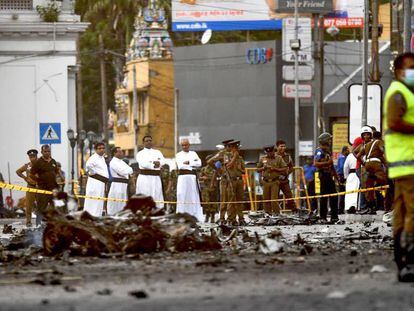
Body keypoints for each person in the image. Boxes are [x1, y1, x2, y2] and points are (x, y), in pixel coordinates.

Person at [383, 52, 414, 282]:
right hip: (408, 165)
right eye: (411, 68)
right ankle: (408, 261)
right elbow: (394, 122)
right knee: (412, 214)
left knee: (402, 213)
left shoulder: (403, 92)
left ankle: (402, 262)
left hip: (404, 165)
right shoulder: (398, 93)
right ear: (399, 71)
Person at [355, 126, 387, 215]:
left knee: (369, 187)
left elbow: (357, 155)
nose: (366, 136)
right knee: (386, 182)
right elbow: (382, 151)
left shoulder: (367, 145)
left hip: (367, 166)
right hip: (375, 165)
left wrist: (364, 163)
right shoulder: (379, 142)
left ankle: (371, 207)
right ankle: (387, 204)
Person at [175, 138, 203, 222]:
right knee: (181, 194)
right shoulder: (178, 155)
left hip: (192, 177)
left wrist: (189, 162)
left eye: (186, 145)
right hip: (183, 177)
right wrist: (192, 163)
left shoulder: (193, 153)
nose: (184, 147)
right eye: (183, 145)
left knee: (193, 195)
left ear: (189, 145)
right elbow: (181, 166)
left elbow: (199, 163)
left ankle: (194, 216)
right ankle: (181, 215)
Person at [314, 133, 339, 223]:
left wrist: (336, 177)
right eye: (329, 139)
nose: (330, 141)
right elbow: (316, 163)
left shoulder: (327, 151)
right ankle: (323, 217)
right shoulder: (319, 151)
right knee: (324, 197)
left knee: (334, 196)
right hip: (323, 175)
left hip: (329, 175)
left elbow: (331, 165)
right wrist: (327, 163)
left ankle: (334, 217)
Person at [30, 145, 59, 225]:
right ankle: (38, 225)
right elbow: (31, 175)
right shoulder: (38, 162)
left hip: (53, 189)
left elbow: (56, 172)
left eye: (48, 151)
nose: (47, 153)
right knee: (41, 208)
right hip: (42, 189)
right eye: (45, 151)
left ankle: (53, 225)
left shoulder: (53, 161)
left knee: (54, 208)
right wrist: (39, 180)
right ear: (42, 152)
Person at [208, 139, 234, 224]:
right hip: (224, 179)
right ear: (226, 146)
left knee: (232, 199)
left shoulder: (234, 153)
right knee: (224, 199)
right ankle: (222, 218)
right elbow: (210, 162)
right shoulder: (221, 154)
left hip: (233, 179)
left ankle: (231, 218)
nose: (231, 147)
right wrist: (219, 170)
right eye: (229, 146)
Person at [136, 135, 165, 208]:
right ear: (143, 143)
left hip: (156, 178)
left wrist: (159, 163)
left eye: (150, 140)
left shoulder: (157, 152)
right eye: (147, 141)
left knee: (157, 196)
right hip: (145, 178)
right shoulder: (140, 154)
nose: (149, 142)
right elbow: (144, 164)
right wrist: (154, 164)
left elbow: (163, 161)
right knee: (145, 195)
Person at [257, 145, 287, 215]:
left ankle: (277, 213)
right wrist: (263, 168)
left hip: (274, 181)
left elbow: (285, 168)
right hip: (266, 181)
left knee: (274, 200)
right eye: (268, 153)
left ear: (274, 151)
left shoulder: (278, 158)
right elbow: (258, 169)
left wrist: (274, 169)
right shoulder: (262, 158)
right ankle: (268, 213)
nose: (269, 154)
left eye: (271, 152)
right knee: (266, 199)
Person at [84, 142, 109, 217]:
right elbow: (88, 166)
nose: (102, 150)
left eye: (103, 148)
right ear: (95, 150)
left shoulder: (102, 158)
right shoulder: (94, 157)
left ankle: (97, 216)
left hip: (101, 183)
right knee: (94, 201)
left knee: (99, 201)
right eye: (99, 148)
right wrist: (94, 173)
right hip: (95, 182)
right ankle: (91, 216)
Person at [107, 147, 133, 215]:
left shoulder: (121, 162)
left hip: (124, 184)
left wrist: (126, 171)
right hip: (117, 185)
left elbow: (131, 169)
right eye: (120, 152)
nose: (122, 153)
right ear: (114, 153)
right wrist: (126, 171)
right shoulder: (113, 162)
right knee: (116, 202)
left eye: (122, 151)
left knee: (123, 203)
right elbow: (122, 172)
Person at [16, 149, 38, 226]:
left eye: (34, 156)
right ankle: (28, 222)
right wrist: (25, 178)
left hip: (40, 188)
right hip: (30, 187)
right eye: (30, 156)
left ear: (36, 156)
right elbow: (18, 171)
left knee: (41, 205)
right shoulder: (27, 166)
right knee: (29, 205)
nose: (32, 158)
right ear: (29, 157)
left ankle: (40, 221)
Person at [226, 140, 246, 226]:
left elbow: (244, 171)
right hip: (231, 180)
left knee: (239, 200)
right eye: (235, 148)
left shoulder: (240, 158)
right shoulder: (227, 156)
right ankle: (231, 219)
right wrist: (234, 157)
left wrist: (239, 168)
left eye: (238, 148)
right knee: (231, 200)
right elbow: (228, 166)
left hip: (239, 180)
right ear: (232, 148)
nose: (237, 150)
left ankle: (241, 218)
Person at [275, 140, 296, 212]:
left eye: (284, 146)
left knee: (289, 196)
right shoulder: (274, 156)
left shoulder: (288, 157)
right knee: (274, 198)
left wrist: (286, 174)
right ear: (277, 147)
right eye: (281, 146)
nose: (283, 148)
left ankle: (294, 211)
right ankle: (275, 212)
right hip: (275, 181)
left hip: (284, 180)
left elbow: (291, 168)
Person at [343, 138, 362, 214]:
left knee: (349, 192)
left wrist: (346, 177)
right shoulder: (362, 154)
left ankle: (349, 207)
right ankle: (356, 207)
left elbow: (345, 167)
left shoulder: (350, 155)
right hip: (359, 174)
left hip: (351, 175)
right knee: (357, 192)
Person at [200, 155, 219, 223]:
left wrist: (207, 178)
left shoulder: (215, 169)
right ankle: (207, 215)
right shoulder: (203, 169)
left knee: (213, 202)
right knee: (206, 202)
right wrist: (203, 178)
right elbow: (200, 177)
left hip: (213, 188)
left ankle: (213, 217)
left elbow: (218, 176)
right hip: (205, 188)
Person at [336, 146, 350, 214]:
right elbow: (342, 167)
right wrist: (345, 176)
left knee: (343, 193)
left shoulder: (342, 157)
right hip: (342, 176)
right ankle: (340, 209)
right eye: (348, 150)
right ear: (345, 151)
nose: (349, 152)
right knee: (342, 193)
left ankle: (341, 209)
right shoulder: (342, 157)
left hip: (341, 175)